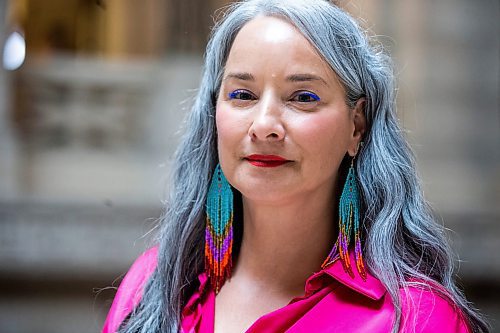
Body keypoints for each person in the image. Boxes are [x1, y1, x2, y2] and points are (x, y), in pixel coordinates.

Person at [102, 0, 490, 332]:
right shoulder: (154, 283)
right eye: (242, 95)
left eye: (303, 97)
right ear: (214, 114)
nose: (265, 125)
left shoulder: (414, 318)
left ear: (357, 125)